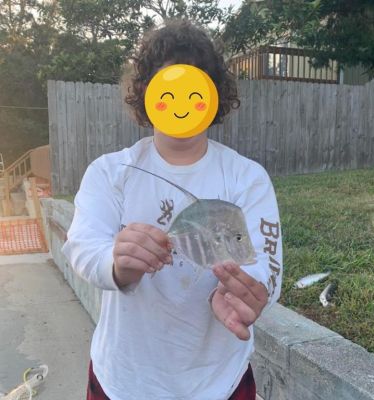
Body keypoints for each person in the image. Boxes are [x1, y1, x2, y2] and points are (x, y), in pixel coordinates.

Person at [62, 18, 283, 400]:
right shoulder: (110, 172)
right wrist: (117, 263)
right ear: (145, 94)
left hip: (220, 381)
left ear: (213, 96)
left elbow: (268, 264)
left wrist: (245, 290)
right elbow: (82, 245)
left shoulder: (247, 177)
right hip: (123, 380)